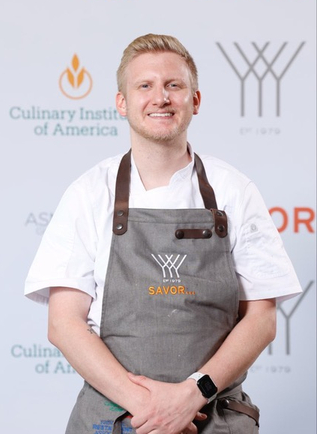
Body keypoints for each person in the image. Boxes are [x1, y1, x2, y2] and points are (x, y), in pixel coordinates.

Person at [25, 34, 302, 434]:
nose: (161, 98)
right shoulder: (88, 194)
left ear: (195, 100)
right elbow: (64, 324)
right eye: (145, 86)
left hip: (213, 412)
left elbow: (261, 319)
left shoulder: (235, 191)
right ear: (122, 102)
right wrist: (151, 408)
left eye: (174, 85)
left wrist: (192, 395)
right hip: (118, 417)